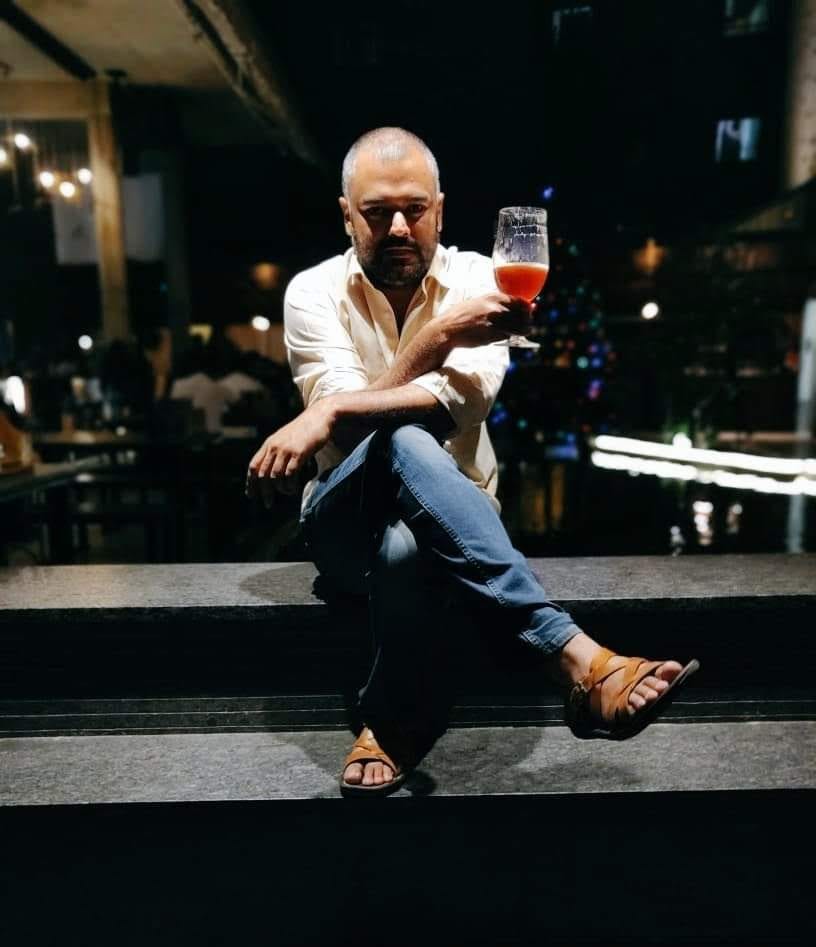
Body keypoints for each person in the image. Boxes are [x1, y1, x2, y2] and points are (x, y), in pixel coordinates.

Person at [246, 127, 698, 795]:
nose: (399, 226)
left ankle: (387, 729)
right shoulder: (312, 293)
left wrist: (332, 412)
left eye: (416, 208)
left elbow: (457, 401)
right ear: (347, 215)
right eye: (376, 212)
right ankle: (578, 659)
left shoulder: (481, 277)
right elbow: (350, 432)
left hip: (455, 519)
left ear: (441, 209)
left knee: (407, 543)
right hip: (344, 519)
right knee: (395, 440)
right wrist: (439, 336)